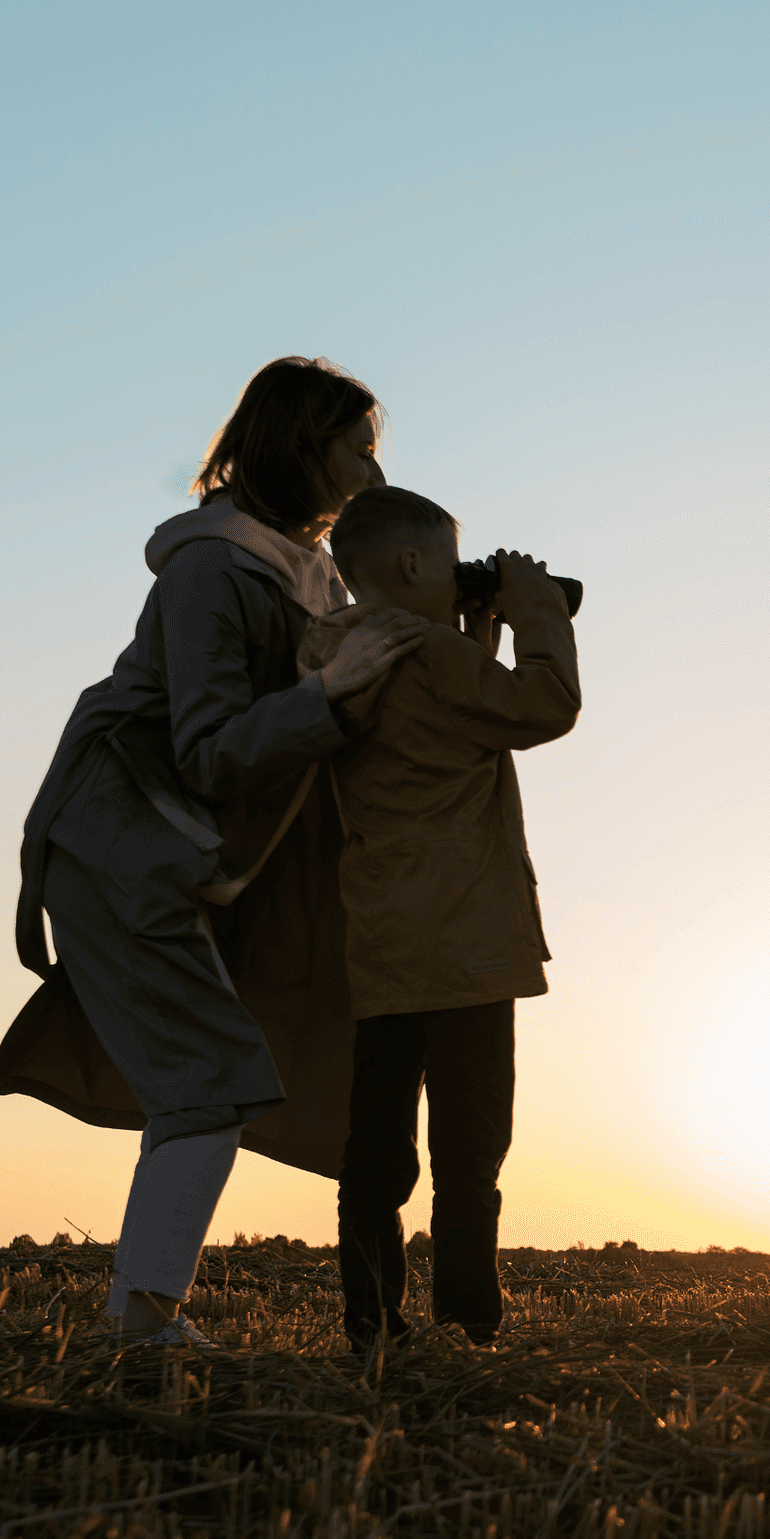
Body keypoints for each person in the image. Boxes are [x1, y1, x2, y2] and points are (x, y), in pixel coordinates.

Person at [0, 359, 427, 1346]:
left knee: (217, 1074)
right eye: (356, 447)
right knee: (211, 1075)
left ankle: (141, 1319)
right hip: (122, 845)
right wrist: (332, 691)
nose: (371, 469)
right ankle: (142, 1328)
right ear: (299, 447)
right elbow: (212, 749)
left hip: (186, 860)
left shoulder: (310, 575)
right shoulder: (211, 569)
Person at [299, 487, 583, 1352]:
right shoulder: (430, 650)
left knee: (375, 1155)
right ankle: (467, 1324)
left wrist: (471, 628)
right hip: (466, 950)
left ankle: (370, 1324)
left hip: (382, 947)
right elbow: (544, 706)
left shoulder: (331, 651)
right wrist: (532, 607)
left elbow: (444, 725)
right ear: (419, 565)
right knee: (468, 1153)